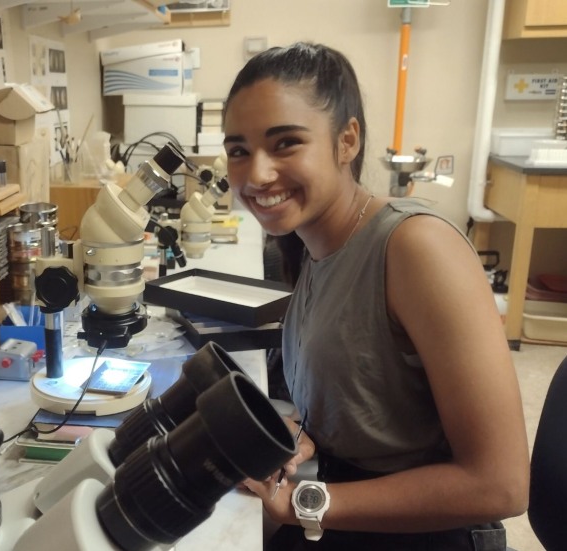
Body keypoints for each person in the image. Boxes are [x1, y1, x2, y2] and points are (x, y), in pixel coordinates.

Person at [222, 42, 529, 550]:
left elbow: (500, 484)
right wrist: (300, 432)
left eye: (285, 144)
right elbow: (373, 392)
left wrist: (304, 503)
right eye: (239, 151)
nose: (256, 175)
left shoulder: (416, 247)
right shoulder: (313, 244)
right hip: (351, 501)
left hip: (426, 534)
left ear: (347, 141)